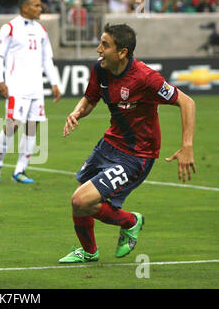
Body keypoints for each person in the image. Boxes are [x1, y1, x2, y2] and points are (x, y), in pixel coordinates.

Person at [59, 23, 196, 263]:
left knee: (81, 200)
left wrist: (187, 145)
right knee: (81, 200)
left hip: (137, 154)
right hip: (109, 144)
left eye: (105, 45)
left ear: (122, 52)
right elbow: (91, 99)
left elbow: (187, 102)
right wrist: (77, 112)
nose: (98, 49)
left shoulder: (146, 78)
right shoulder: (101, 69)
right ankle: (89, 252)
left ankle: (131, 221)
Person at [0, 0, 61, 184]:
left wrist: (54, 82)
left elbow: (47, 58)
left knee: (32, 127)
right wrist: (0, 80)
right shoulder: (10, 28)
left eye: (40, 5)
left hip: (37, 88)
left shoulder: (41, 29)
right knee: (12, 126)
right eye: (36, 5)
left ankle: (20, 170)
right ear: (25, 7)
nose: (40, 8)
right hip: (16, 87)